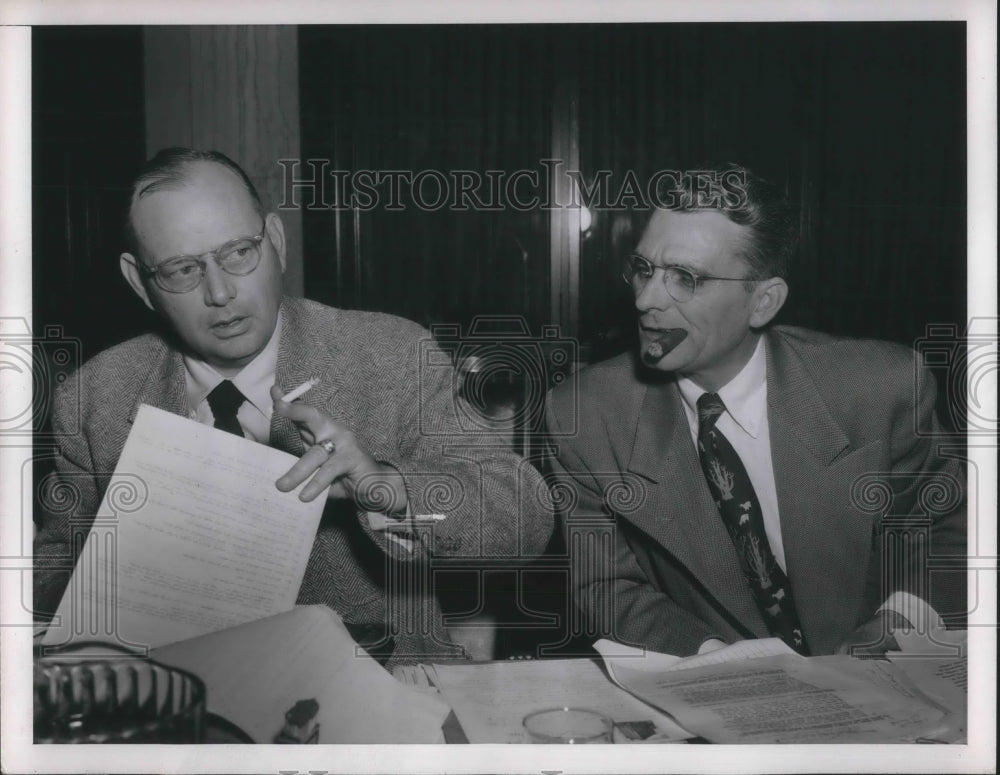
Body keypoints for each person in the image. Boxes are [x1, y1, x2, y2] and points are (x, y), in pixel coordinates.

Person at [34, 147, 554, 664]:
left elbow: (524, 515)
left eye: (239, 252)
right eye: (181, 269)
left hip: (377, 696)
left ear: (277, 241)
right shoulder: (95, 396)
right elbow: (59, 561)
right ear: (139, 283)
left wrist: (387, 488)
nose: (220, 292)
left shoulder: (393, 355)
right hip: (173, 705)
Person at [545, 163, 966, 657]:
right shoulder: (585, 414)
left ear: (763, 303)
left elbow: (948, 535)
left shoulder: (882, 388)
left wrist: (894, 629)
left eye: (686, 278)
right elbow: (607, 586)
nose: (645, 299)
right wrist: (716, 663)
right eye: (644, 269)